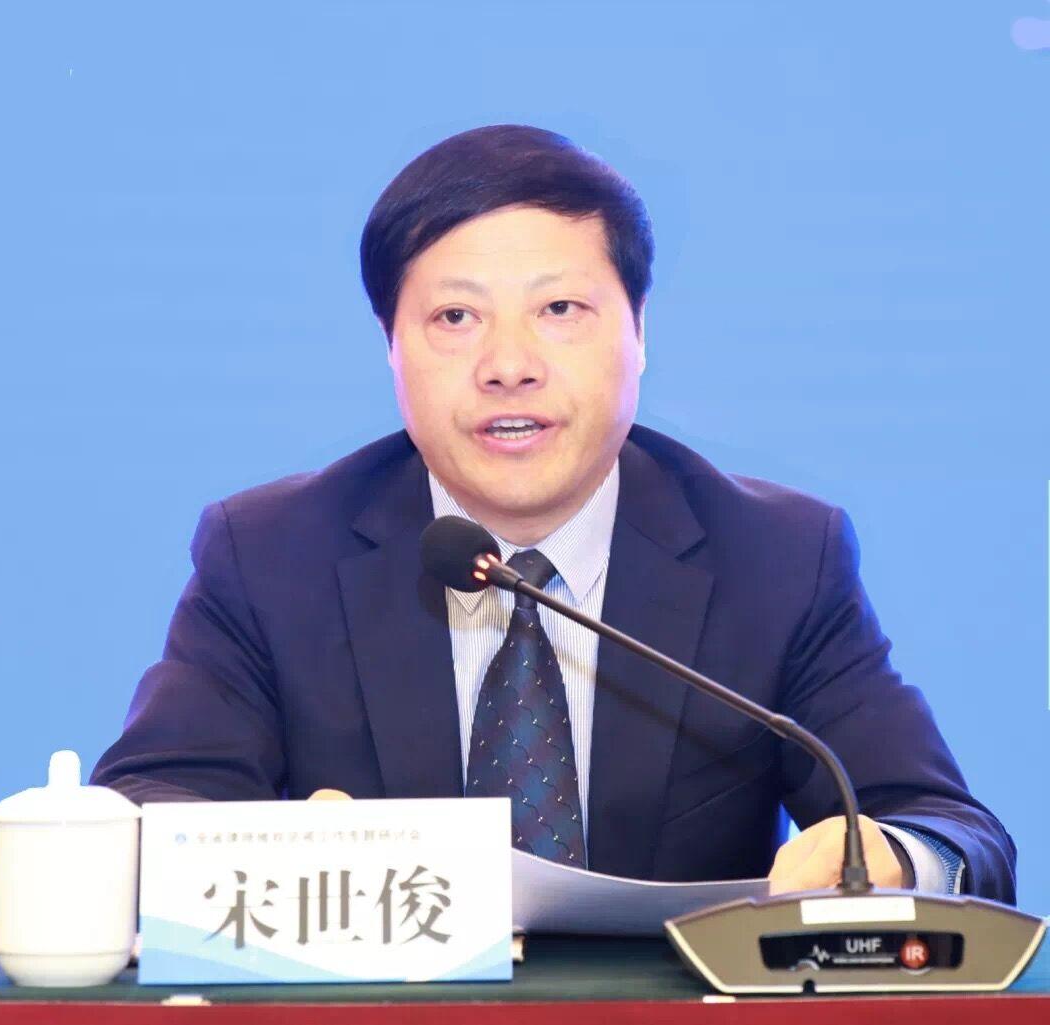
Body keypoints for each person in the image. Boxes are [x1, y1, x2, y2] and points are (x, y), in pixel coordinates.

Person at [91, 124, 1016, 901]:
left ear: (640, 332)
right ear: (390, 348)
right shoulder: (270, 556)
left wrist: (890, 857)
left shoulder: (775, 558)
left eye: (560, 308)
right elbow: (144, 807)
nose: (509, 365)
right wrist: (270, 856)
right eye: (455, 319)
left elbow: (950, 830)